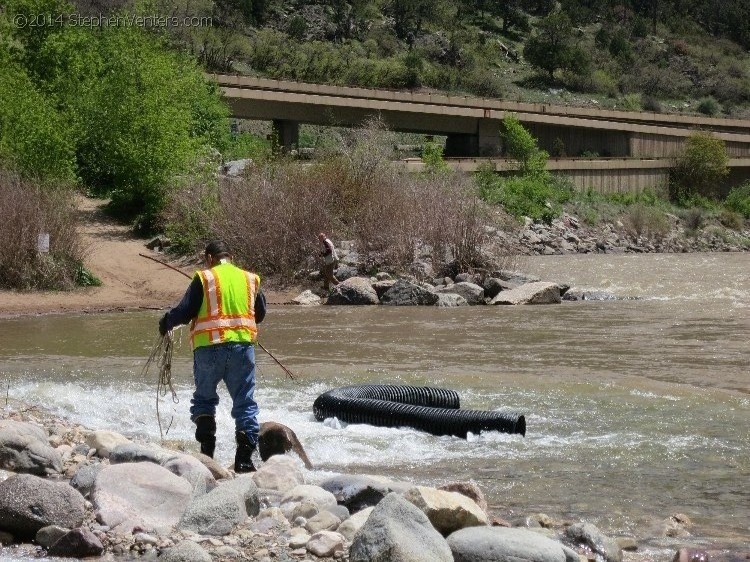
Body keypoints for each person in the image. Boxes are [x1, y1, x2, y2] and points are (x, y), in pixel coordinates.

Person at [159, 240, 266, 473]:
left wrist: (166, 322)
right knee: (245, 403)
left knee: (204, 401)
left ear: (209, 258)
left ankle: (207, 456)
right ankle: (244, 461)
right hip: (242, 348)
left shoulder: (204, 277)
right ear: (231, 257)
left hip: (208, 348)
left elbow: (185, 312)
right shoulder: (250, 279)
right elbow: (260, 314)